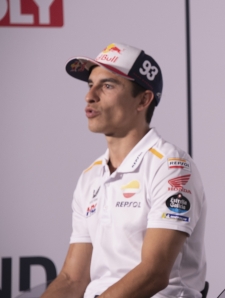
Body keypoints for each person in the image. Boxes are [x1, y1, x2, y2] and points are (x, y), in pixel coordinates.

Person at [41, 43, 207, 298]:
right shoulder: (90, 176)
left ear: (143, 100)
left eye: (107, 85)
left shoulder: (171, 166)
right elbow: (72, 279)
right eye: (90, 85)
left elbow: (154, 273)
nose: (90, 96)